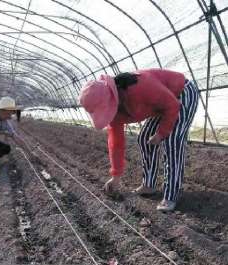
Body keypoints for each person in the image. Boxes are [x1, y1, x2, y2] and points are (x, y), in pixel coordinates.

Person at [79, 69, 199, 212]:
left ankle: (172, 194)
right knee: (144, 138)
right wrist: (116, 176)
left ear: (112, 98)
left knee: (172, 141)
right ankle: (149, 185)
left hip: (181, 94)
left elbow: (172, 105)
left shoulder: (140, 88)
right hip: (161, 104)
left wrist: (161, 133)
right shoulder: (115, 113)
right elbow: (115, 143)